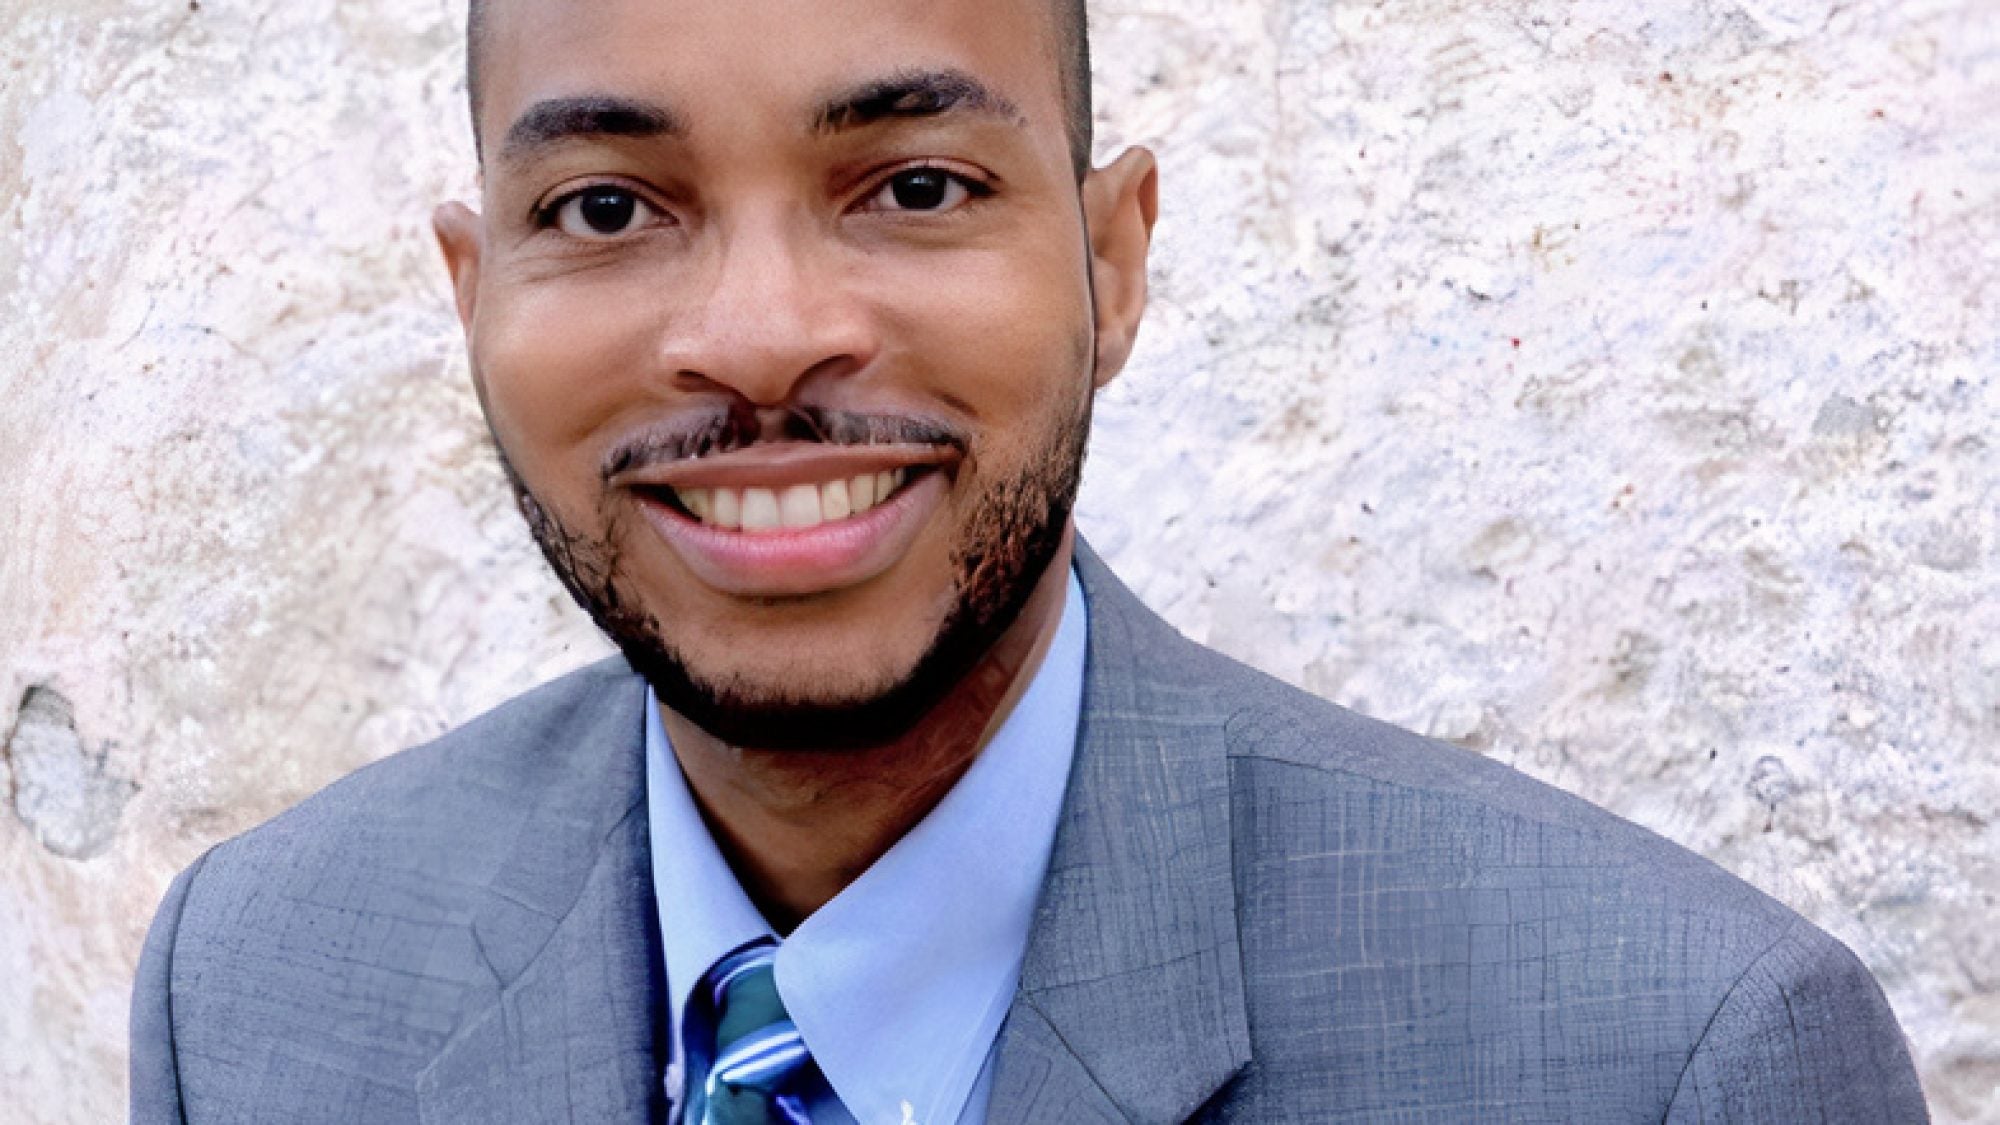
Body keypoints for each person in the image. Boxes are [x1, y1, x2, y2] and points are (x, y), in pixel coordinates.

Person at [129, 0, 1928, 1120]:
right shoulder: (257, 992)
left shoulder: (1668, 1059)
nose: (761, 336)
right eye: (606, 208)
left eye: (913, 185)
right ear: (476, 292)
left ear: (1112, 262)